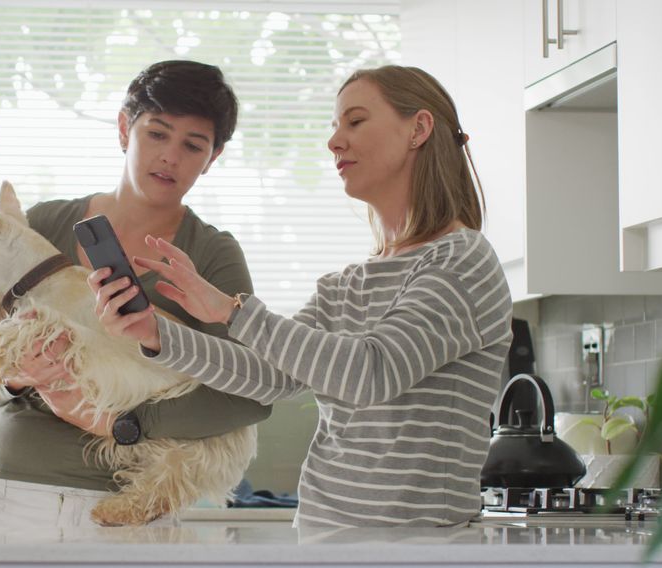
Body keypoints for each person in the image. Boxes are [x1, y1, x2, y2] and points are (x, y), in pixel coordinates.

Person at [78, 65, 514, 527]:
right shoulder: (348, 283)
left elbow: (372, 372)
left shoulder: (461, 260)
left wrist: (232, 311)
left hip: (418, 550)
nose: (334, 142)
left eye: (356, 121)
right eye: (334, 127)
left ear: (418, 129)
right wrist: (157, 333)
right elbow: (272, 378)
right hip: (324, 540)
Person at [0, 60, 271, 529]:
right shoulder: (42, 226)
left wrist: (123, 424)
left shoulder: (212, 254)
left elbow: (248, 396)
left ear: (213, 157)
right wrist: (19, 376)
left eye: (193, 145)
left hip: (129, 509)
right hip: (11, 486)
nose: (170, 157)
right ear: (125, 129)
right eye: (157, 134)